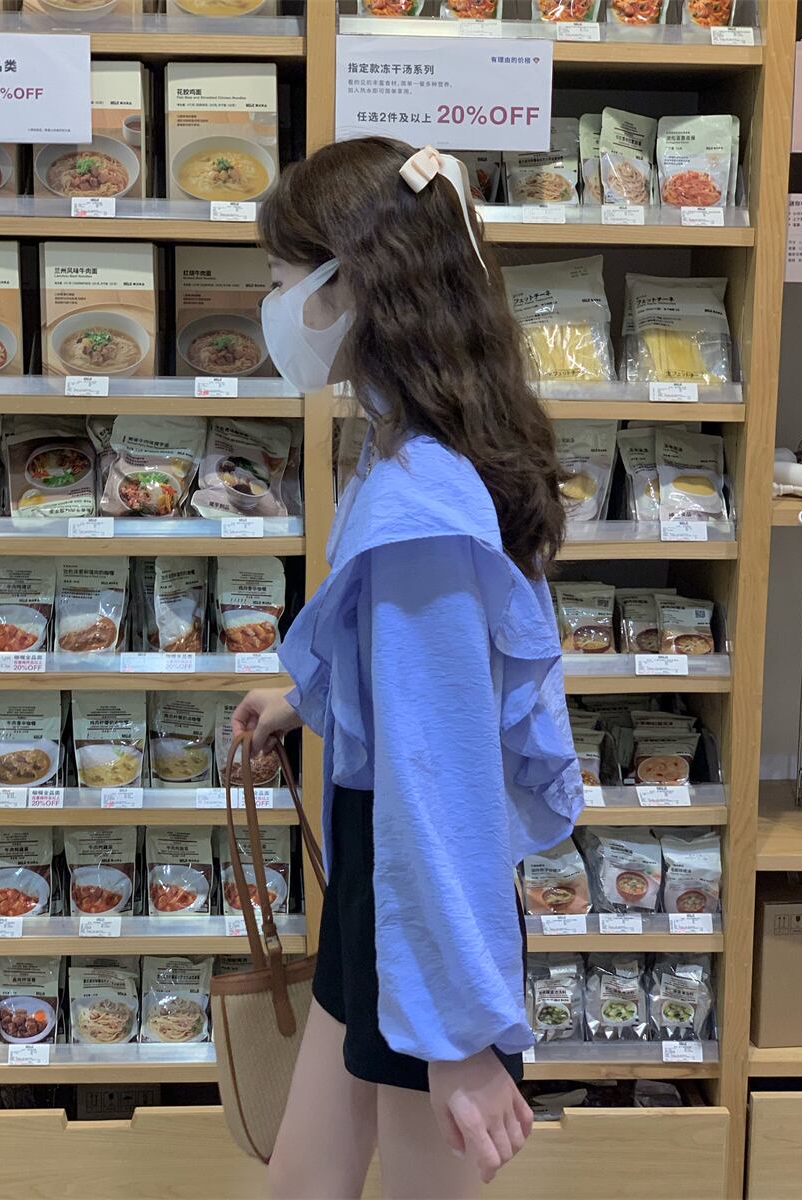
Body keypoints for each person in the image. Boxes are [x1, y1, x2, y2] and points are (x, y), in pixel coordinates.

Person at [232, 136, 583, 1200]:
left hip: (419, 896)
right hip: (386, 878)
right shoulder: (429, 446)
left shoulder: (416, 505)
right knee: (306, 1179)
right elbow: (429, 695)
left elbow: (440, 781)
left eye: (284, 281)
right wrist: (306, 699)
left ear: (351, 289)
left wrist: (459, 1038)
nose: (274, 306)